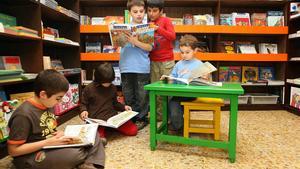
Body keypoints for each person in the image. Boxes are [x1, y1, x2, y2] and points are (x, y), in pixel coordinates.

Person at [7, 69, 105, 169]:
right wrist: (47, 142)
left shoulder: (48, 103)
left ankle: (88, 163)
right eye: (58, 98)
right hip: (31, 155)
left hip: (51, 146)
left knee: (93, 133)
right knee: (76, 153)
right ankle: (91, 153)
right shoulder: (23, 115)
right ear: (43, 95)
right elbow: (13, 151)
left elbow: (47, 129)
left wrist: (58, 133)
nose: (60, 101)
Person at [80, 63, 138, 145]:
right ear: (98, 78)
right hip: (97, 120)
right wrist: (83, 111)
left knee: (133, 130)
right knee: (98, 138)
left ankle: (110, 128)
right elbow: (83, 103)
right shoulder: (89, 88)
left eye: (110, 81)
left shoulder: (113, 88)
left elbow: (115, 103)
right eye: (105, 82)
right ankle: (105, 130)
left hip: (112, 118)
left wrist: (124, 107)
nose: (108, 84)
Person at [161, 34, 205, 133]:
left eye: (187, 52)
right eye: (182, 52)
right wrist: (167, 78)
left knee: (173, 102)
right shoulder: (178, 64)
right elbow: (173, 77)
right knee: (169, 100)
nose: (184, 55)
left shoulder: (199, 64)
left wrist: (205, 77)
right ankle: (175, 123)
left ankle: (178, 127)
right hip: (179, 92)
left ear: (195, 51)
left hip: (191, 93)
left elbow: (206, 80)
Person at [120, 0, 153, 130]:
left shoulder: (146, 28)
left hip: (141, 67)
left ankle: (142, 118)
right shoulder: (123, 27)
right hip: (125, 66)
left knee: (142, 94)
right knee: (128, 93)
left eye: (141, 11)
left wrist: (135, 41)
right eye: (135, 12)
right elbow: (118, 43)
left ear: (144, 12)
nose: (138, 14)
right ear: (130, 13)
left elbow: (149, 47)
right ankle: (131, 117)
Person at [147, 0, 176, 120]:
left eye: (154, 11)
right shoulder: (147, 23)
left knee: (168, 91)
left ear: (161, 11)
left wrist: (157, 29)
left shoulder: (166, 21)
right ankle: (159, 116)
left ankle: (170, 116)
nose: (151, 14)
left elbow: (172, 36)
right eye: (149, 11)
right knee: (156, 90)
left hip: (167, 62)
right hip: (153, 61)